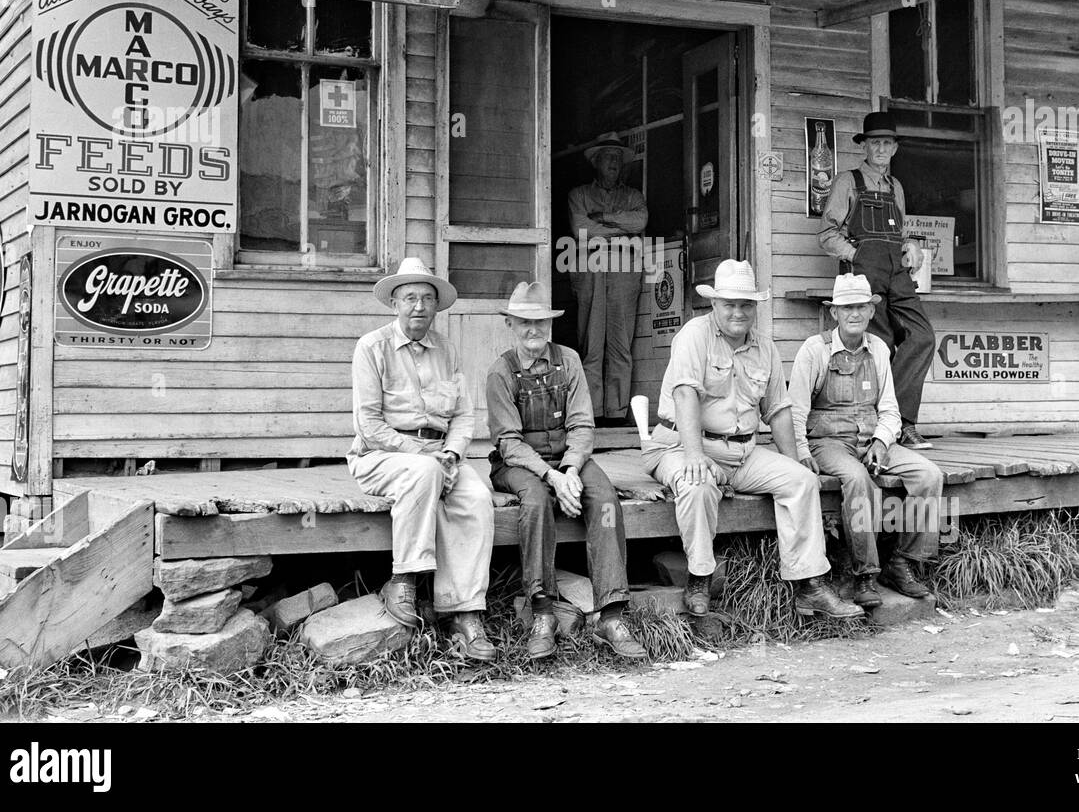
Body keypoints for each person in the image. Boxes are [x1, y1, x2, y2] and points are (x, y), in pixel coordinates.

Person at [643, 259, 864, 620]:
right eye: (729, 303)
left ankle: (810, 586)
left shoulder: (764, 347)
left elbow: (777, 409)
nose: (738, 312)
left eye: (746, 304)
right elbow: (684, 395)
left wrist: (791, 458)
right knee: (697, 484)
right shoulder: (694, 336)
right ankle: (700, 578)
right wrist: (695, 455)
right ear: (713, 304)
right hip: (680, 445)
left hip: (742, 451)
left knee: (801, 481)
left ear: (755, 308)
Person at [484, 281, 648, 661]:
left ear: (551, 325)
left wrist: (572, 469)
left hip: (569, 459)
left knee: (606, 500)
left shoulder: (569, 361)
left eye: (540, 322)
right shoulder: (501, 373)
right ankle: (543, 612)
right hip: (520, 464)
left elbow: (582, 426)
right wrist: (553, 478)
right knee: (537, 503)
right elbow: (508, 442)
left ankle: (612, 614)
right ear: (510, 324)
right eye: (524, 322)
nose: (533, 330)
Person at [346, 257, 497, 662]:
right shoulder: (372, 347)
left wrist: (451, 452)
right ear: (394, 303)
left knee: (478, 498)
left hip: (439, 457)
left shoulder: (446, 350)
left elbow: (464, 415)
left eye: (427, 298)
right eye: (410, 297)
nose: (419, 306)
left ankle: (464, 611)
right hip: (382, 455)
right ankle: (403, 579)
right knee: (423, 472)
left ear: (436, 306)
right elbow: (369, 424)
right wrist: (424, 454)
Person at [788, 274, 942, 608]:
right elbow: (795, 411)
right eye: (846, 308)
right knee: (858, 480)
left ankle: (903, 563)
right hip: (829, 442)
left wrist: (881, 442)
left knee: (929, 476)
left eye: (860, 306)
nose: (854, 314)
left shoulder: (880, 350)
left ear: (872, 311)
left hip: (871, 439)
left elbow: (890, 411)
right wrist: (801, 452)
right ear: (834, 314)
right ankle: (865, 574)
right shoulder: (815, 351)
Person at [818, 111, 935, 449]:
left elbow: (900, 233)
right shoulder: (848, 182)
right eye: (875, 143)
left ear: (895, 148)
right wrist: (859, 256)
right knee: (880, 345)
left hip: (897, 275)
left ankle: (898, 418)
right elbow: (827, 235)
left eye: (887, 142)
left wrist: (910, 245)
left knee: (922, 336)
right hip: (865, 276)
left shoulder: (895, 187)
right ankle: (895, 426)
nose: (881, 148)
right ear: (865, 147)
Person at [567, 133, 649, 427]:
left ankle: (614, 413)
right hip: (590, 266)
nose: (613, 162)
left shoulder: (633, 196)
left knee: (620, 342)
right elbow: (581, 230)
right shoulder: (579, 195)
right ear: (596, 162)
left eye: (617, 158)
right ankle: (591, 413)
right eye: (608, 157)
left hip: (625, 268)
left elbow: (639, 221)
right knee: (591, 341)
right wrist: (619, 228)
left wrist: (603, 219)